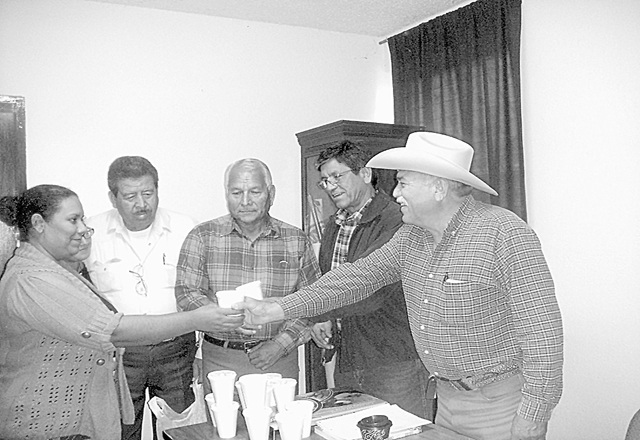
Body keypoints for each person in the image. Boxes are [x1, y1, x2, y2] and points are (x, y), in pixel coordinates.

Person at [239, 132, 564, 440]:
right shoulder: (411, 237)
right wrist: (276, 308)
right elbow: (354, 279)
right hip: (445, 401)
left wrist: (534, 414)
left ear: (438, 187)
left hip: (501, 406)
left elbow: (542, 333)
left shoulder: (503, 233)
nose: (395, 193)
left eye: (403, 182)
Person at [0, 184, 245, 440]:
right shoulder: (33, 280)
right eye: (73, 220)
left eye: (82, 219)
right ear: (39, 223)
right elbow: (114, 331)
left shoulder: (53, 270)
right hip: (43, 422)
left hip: (66, 419)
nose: (83, 228)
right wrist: (196, 319)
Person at [308, 140, 432, 419]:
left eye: (336, 177)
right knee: (352, 429)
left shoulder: (397, 220)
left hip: (394, 361)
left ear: (365, 174)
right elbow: (328, 279)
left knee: (403, 432)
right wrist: (321, 318)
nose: (330, 187)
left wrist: (317, 310)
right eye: (325, 181)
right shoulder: (334, 224)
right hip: (350, 356)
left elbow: (369, 289)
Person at [175, 158, 320, 394]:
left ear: (271, 194)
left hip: (277, 359)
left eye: (254, 191)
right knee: (222, 419)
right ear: (227, 194)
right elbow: (186, 294)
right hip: (220, 360)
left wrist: (280, 344)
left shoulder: (296, 240)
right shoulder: (203, 236)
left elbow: (311, 301)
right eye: (236, 192)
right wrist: (226, 318)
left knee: (281, 419)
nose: (245, 201)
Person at [85, 156, 199, 440]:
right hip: (119, 354)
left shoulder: (186, 228)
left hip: (175, 350)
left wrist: (200, 353)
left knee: (179, 431)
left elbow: (202, 292)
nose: (141, 204)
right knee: (121, 432)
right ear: (113, 198)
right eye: (130, 196)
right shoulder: (90, 233)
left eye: (148, 193)